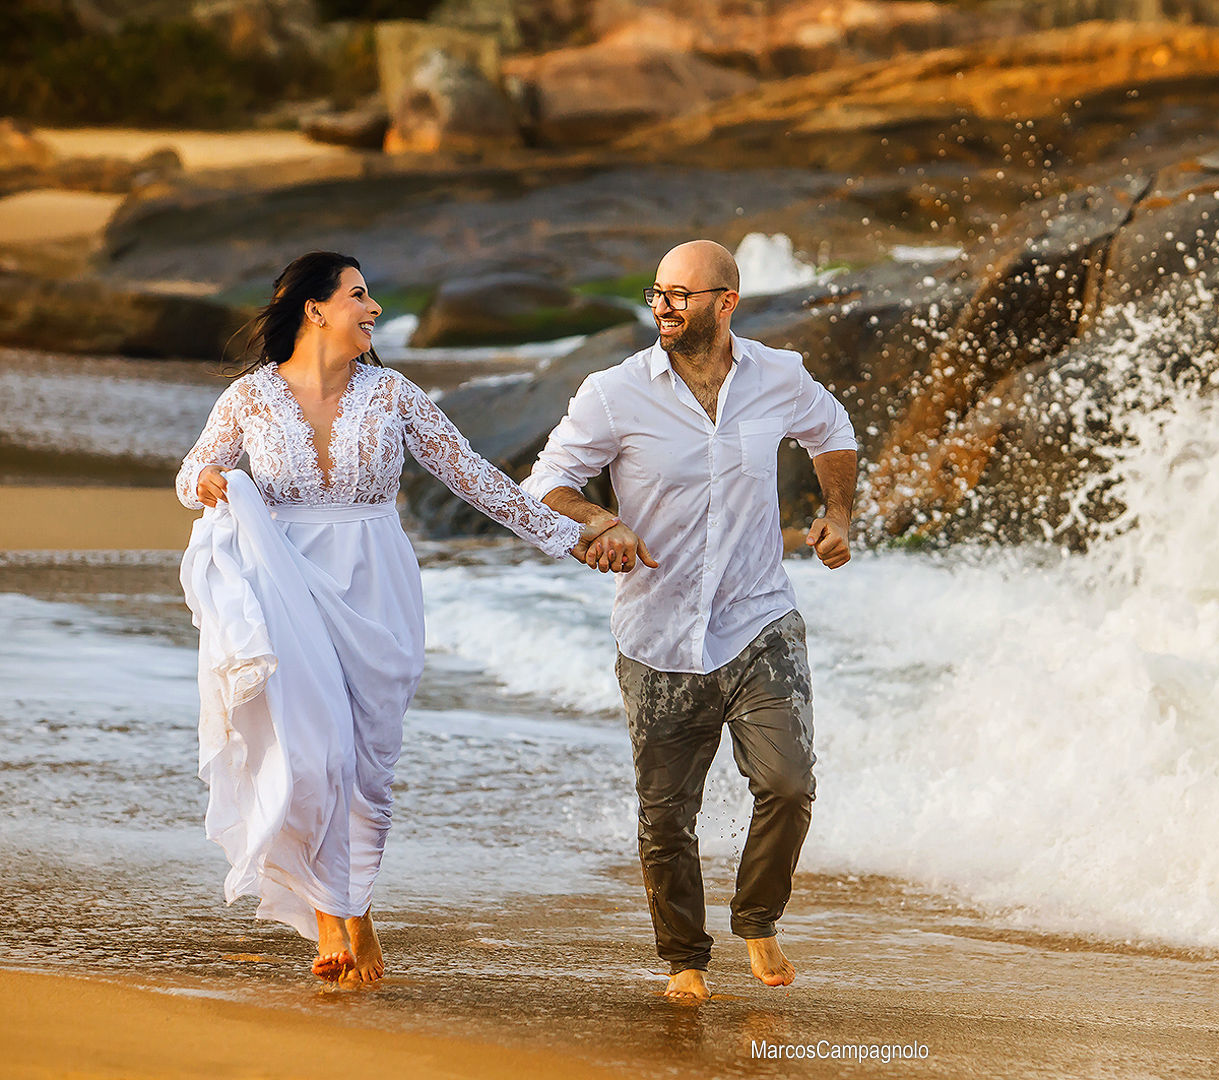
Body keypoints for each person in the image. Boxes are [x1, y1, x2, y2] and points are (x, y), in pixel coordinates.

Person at [176, 251, 611, 985]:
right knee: (314, 755)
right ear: (315, 308)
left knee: (367, 767)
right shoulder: (249, 399)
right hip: (285, 582)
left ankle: (354, 908)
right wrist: (211, 479)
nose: (373, 309)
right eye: (359, 295)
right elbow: (190, 477)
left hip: (376, 586)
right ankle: (333, 921)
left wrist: (572, 538)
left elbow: (475, 478)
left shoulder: (392, 394)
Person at [522, 239, 857, 1000]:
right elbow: (546, 483)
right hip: (658, 633)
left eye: (682, 294)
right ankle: (684, 960)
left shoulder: (779, 375)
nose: (664, 306)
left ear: (726, 302)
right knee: (667, 816)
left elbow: (833, 431)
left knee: (789, 783)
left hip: (757, 619)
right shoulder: (614, 392)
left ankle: (759, 918)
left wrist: (837, 514)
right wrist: (600, 522)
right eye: (657, 293)